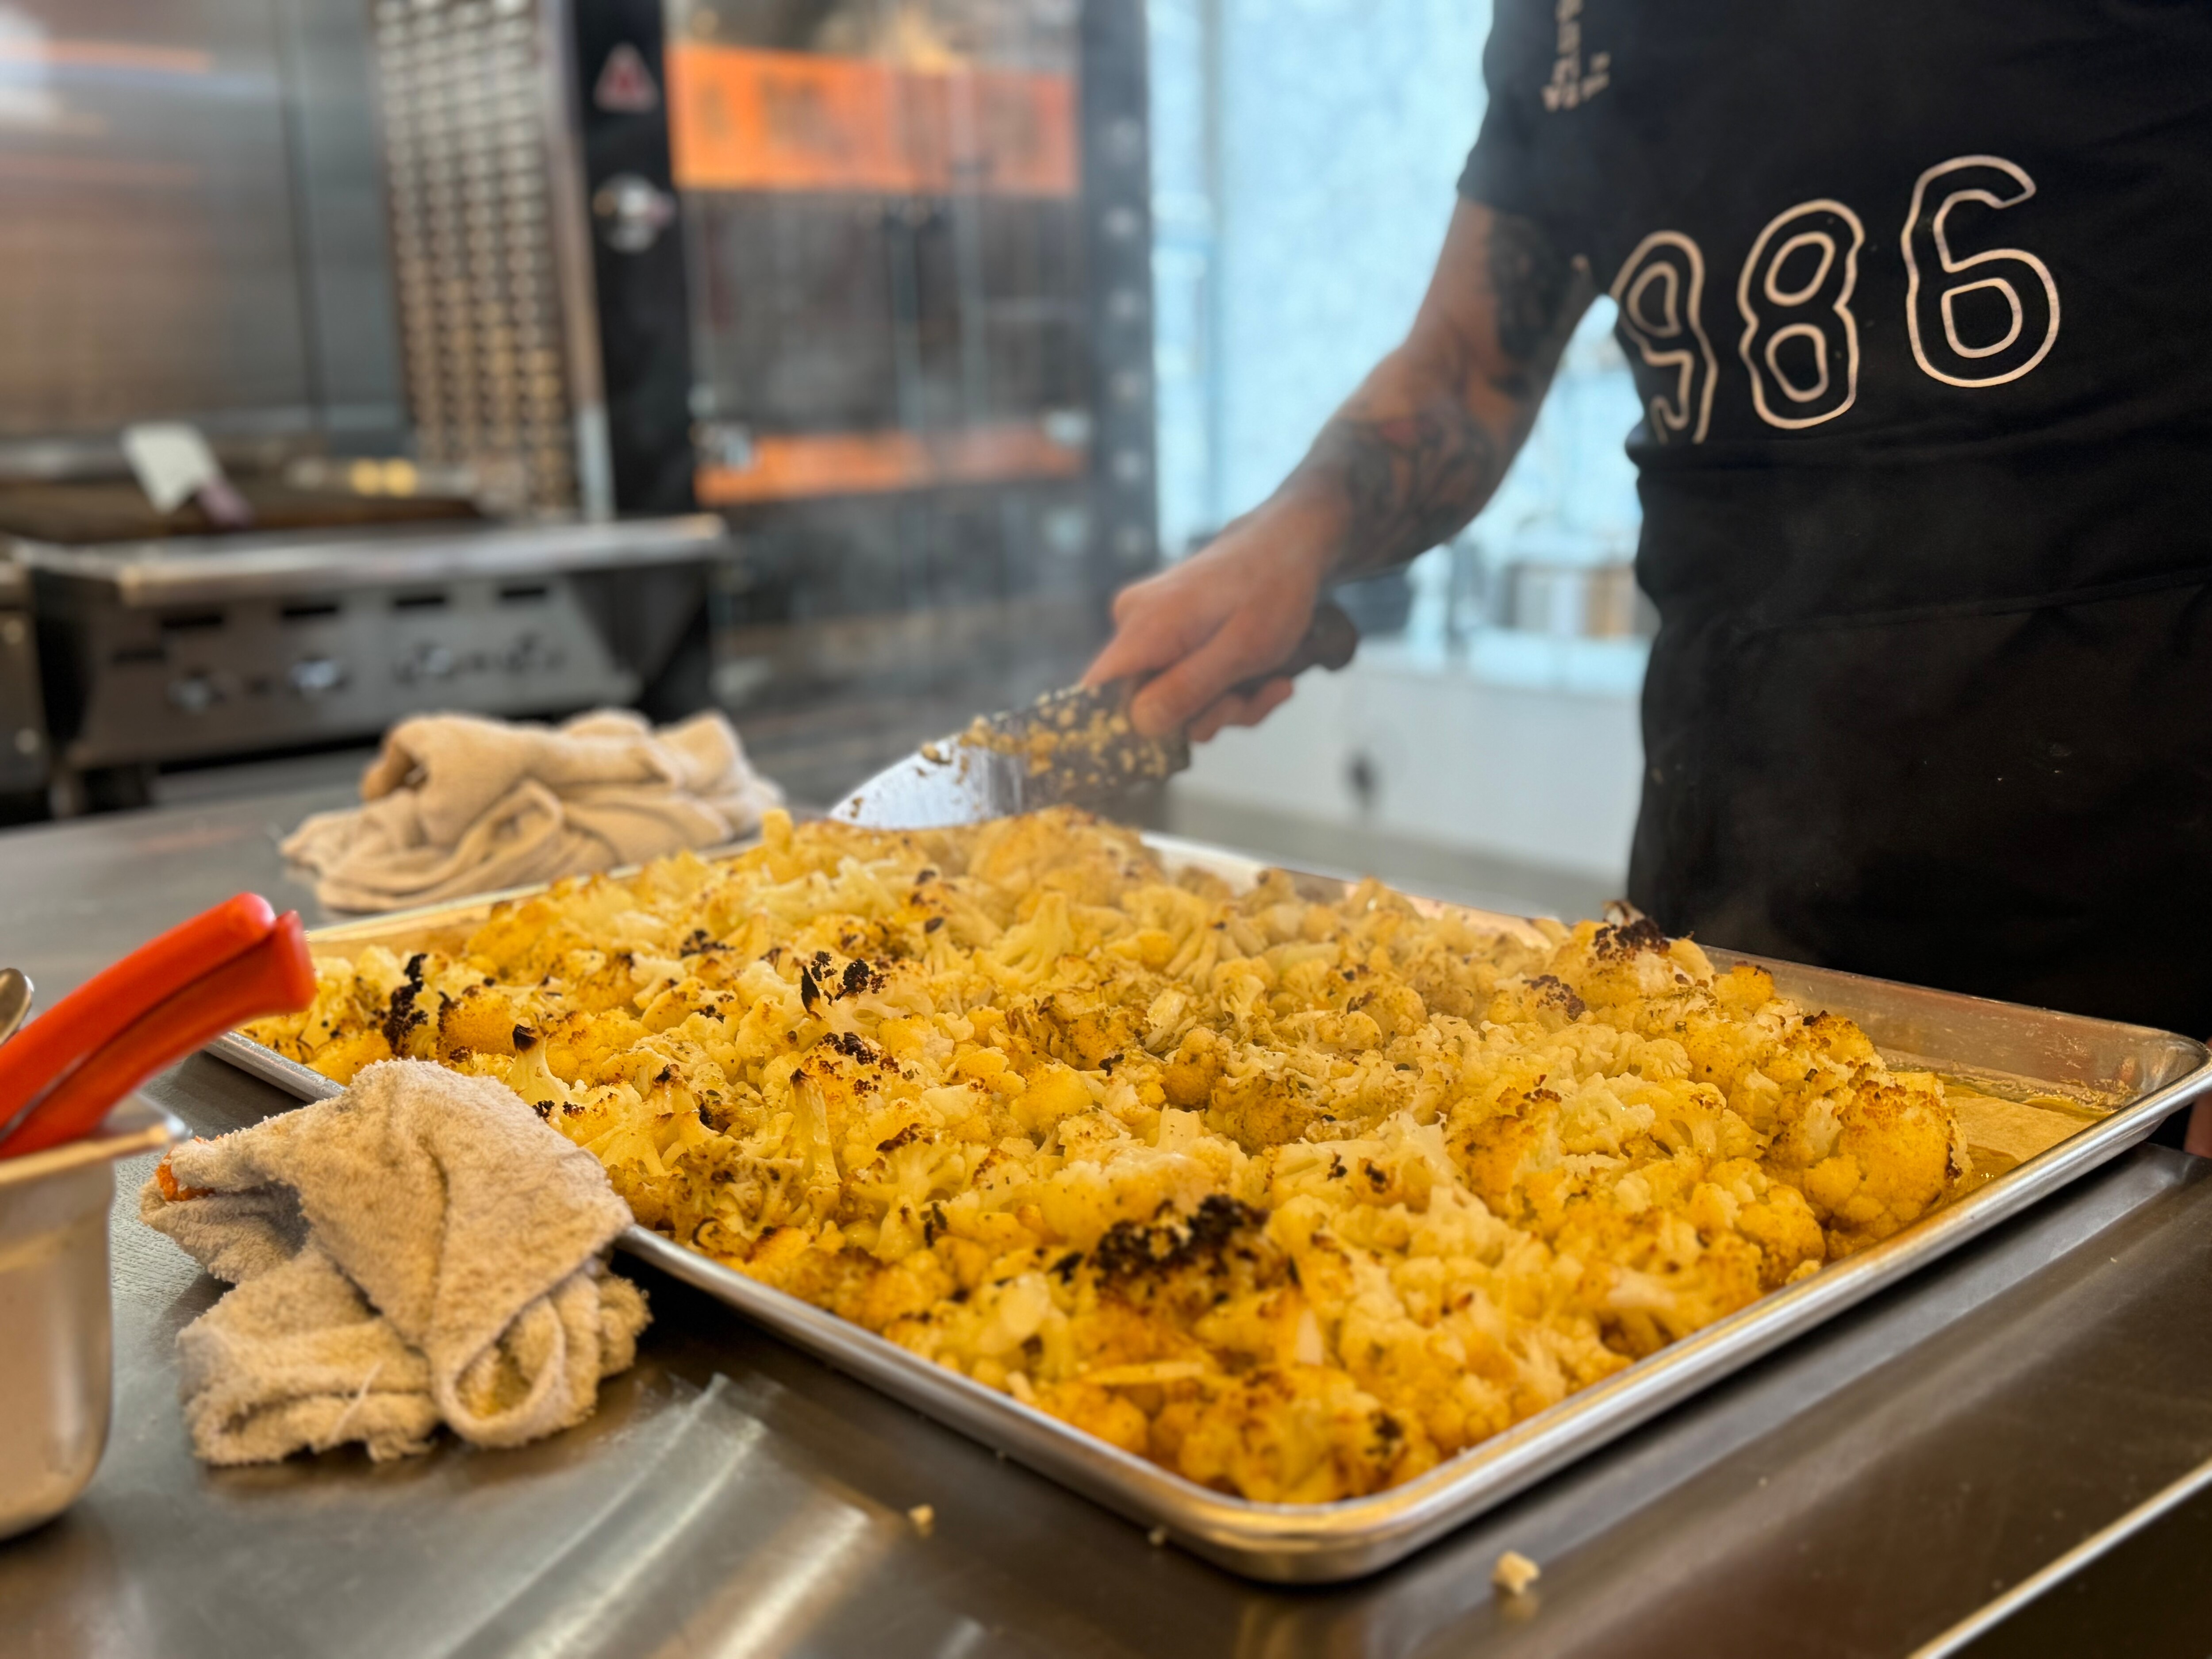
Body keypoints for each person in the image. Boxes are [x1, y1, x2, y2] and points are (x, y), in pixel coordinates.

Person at [1084, 3, 2212, 1148]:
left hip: (2134, 893)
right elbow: (1470, 363)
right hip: (1726, 873)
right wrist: (1292, 532)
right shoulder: (1568, 21)